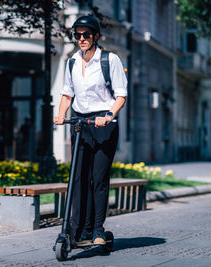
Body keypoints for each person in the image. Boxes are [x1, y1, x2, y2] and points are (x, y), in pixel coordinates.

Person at [53, 16, 127, 246]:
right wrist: (60, 114)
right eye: (78, 35)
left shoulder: (110, 60)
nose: (81, 39)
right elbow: (67, 93)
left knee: (98, 179)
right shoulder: (72, 61)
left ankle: (97, 230)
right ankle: (78, 230)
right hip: (80, 123)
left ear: (95, 36)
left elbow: (121, 95)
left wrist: (109, 115)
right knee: (78, 178)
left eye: (86, 35)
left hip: (103, 124)